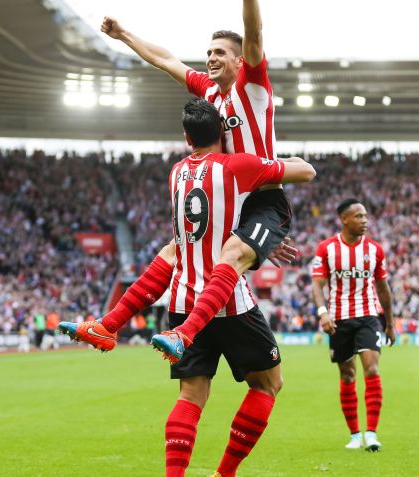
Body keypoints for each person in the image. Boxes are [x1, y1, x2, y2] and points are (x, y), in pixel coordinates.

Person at [60, 0, 301, 360]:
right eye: (209, 52)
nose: (211, 58)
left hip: (261, 198)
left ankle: (184, 334)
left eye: (220, 52)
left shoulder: (252, 86)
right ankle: (107, 326)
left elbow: (254, 31)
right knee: (175, 252)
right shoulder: (208, 92)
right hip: (227, 196)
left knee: (231, 253)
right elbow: (166, 60)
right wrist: (123, 34)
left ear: (240, 61)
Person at [139, 99, 316, 476]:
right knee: (268, 384)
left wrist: (262, 239)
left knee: (190, 396)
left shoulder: (176, 173)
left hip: (184, 299)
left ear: (186, 138)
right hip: (228, 299)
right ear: (223, 131)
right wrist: (263, 229)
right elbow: (305, 171)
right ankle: (225, 473)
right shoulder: (235, 167)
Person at [311, 199, 395, 452]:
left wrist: (390, 323)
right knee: (347, 374)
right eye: (359, 216)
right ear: (344, 219)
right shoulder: (326, 249)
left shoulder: (375, 250)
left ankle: (371, 434)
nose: (364, 221)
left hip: (368, 316)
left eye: (365, 216)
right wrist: (323, 313)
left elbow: (383, 288)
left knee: (372, 369)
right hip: (338, 320)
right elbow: (317, 285)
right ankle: (355, 434)